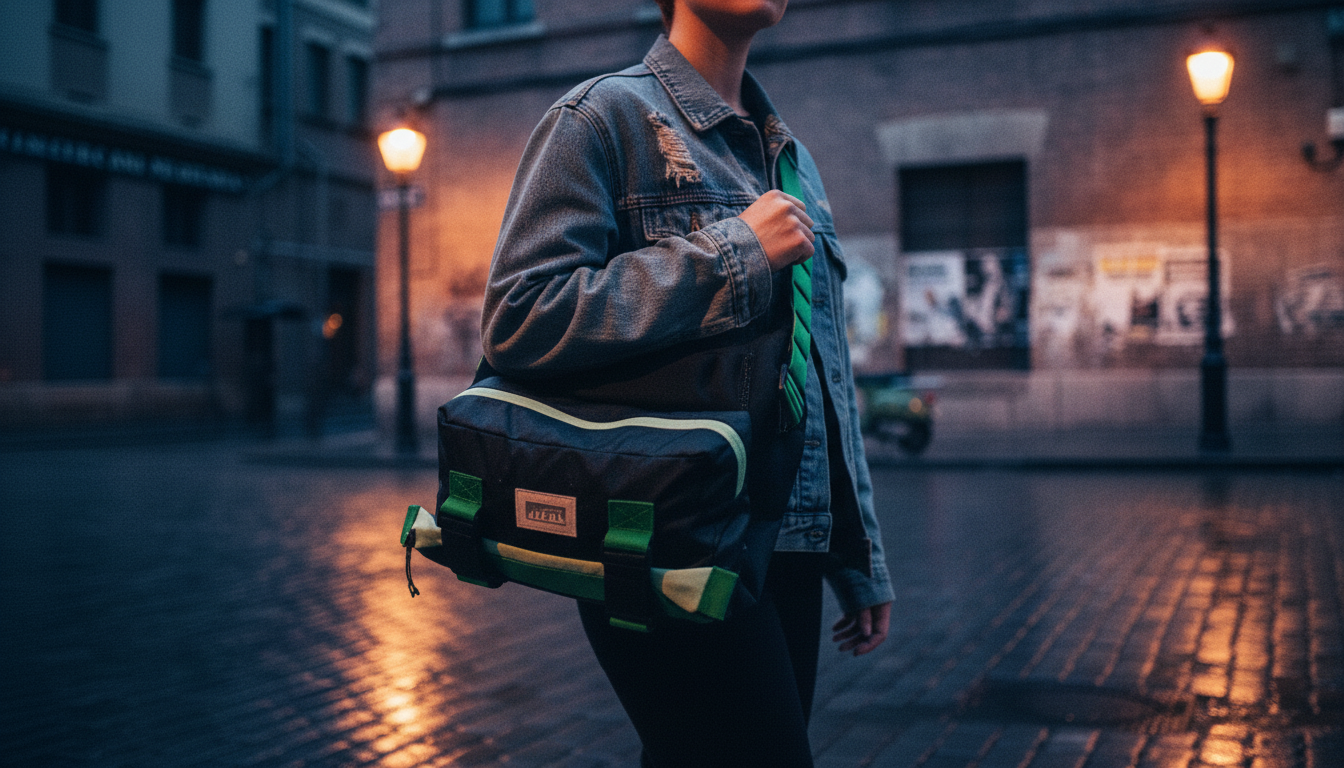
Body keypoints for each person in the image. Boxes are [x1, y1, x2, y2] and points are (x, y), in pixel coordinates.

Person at [480, 0, 894, 764]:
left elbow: (823, 372)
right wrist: (733, 251)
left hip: (789, 540)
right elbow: (520, 316)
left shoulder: (794, 158)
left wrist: (855, 552)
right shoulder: (602, 118)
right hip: (664, 527)